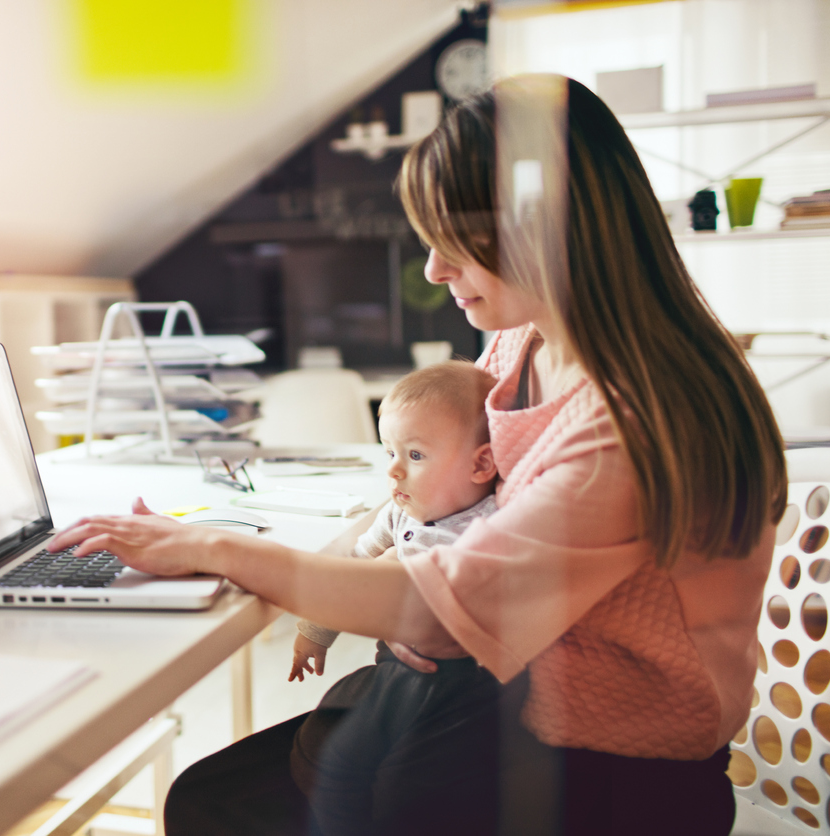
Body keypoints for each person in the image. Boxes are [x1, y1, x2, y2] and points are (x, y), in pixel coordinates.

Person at [47, 74, 786, 836]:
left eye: (453, 242)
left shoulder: (634, 419)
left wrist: (212, 545)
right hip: (505, 708)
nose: (433, 271)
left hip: (615, 773)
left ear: (542, 228)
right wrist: (391, 572)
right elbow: (456, 536)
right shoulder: (522, 338)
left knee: (226, 809)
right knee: (213, 797)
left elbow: (438, 616)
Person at [288, 360, 501, 836]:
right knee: (332, 738)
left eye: (416, 456)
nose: (394, 470)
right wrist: (315, 632)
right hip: (396, 663)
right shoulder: (400, 510)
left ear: (481, 464)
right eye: (389, 451)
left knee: (343, 764)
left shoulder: (491, 527)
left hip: (449, 678)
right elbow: (355, 571)